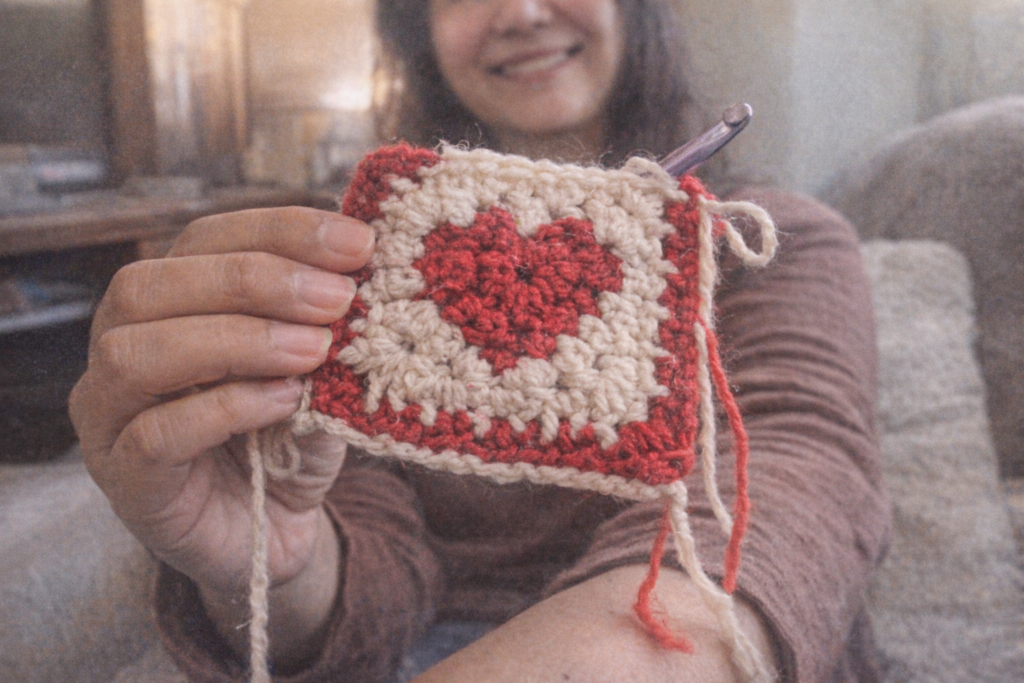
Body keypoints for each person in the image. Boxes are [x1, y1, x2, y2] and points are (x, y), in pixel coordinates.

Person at [69, 0, 890, 681]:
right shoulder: (372, 255)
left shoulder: (770, 243)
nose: (521, 12)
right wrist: (277, 555)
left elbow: (791, 487)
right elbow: (361, 563)